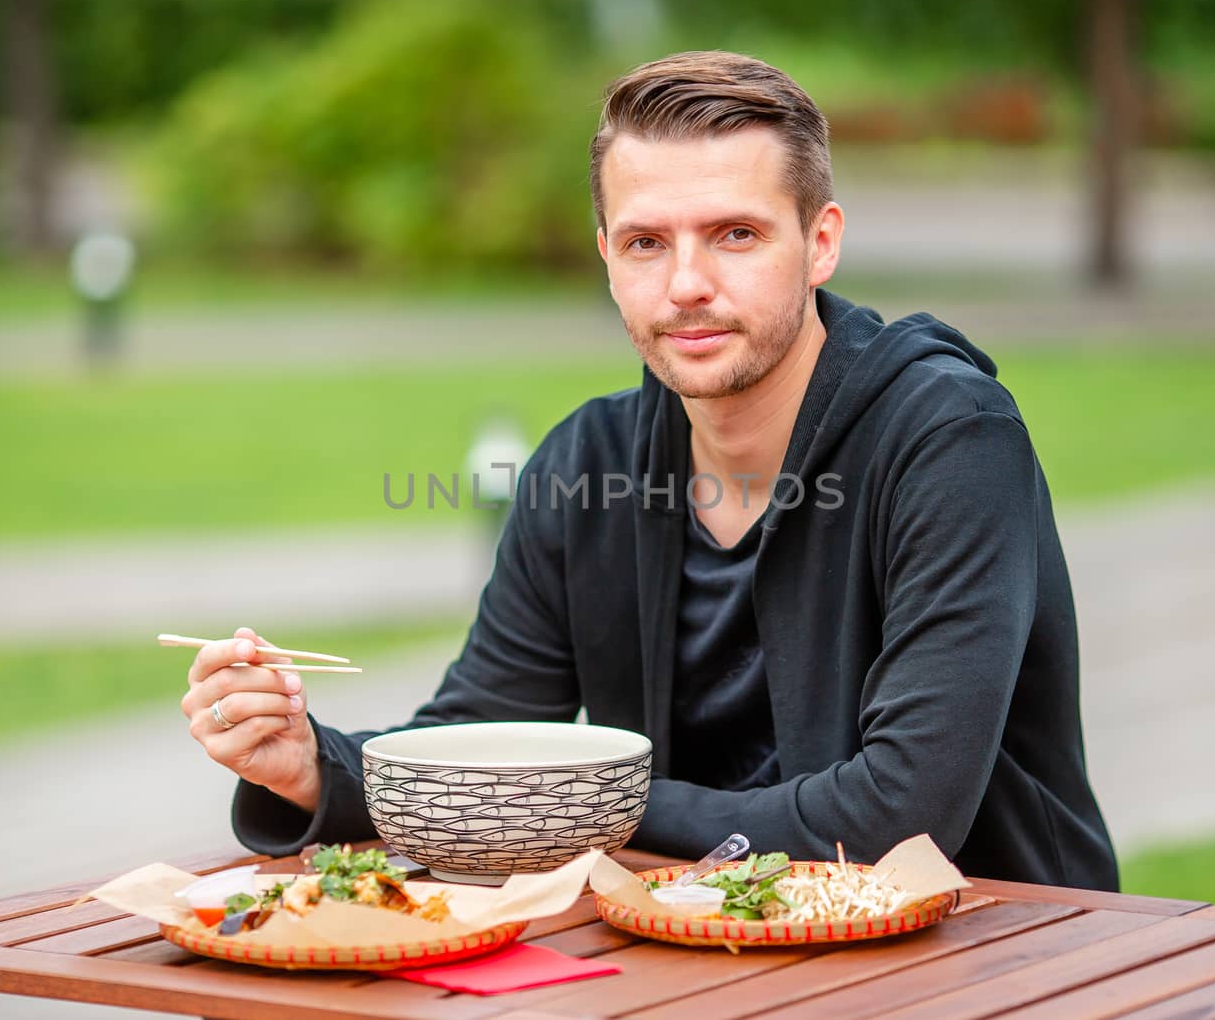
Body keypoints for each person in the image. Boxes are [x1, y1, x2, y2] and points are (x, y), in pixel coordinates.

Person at [181, 51, 1119, 890]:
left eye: (736, 235)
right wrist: (310, 762)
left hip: (1003, 952)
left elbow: (898, 816)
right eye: (645, 242)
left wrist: (587, 801)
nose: (686, 284)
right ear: (606, 255)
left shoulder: (950, 439)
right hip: (695, 944)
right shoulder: (586, 466)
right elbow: (477, 745)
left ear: (821, 241)